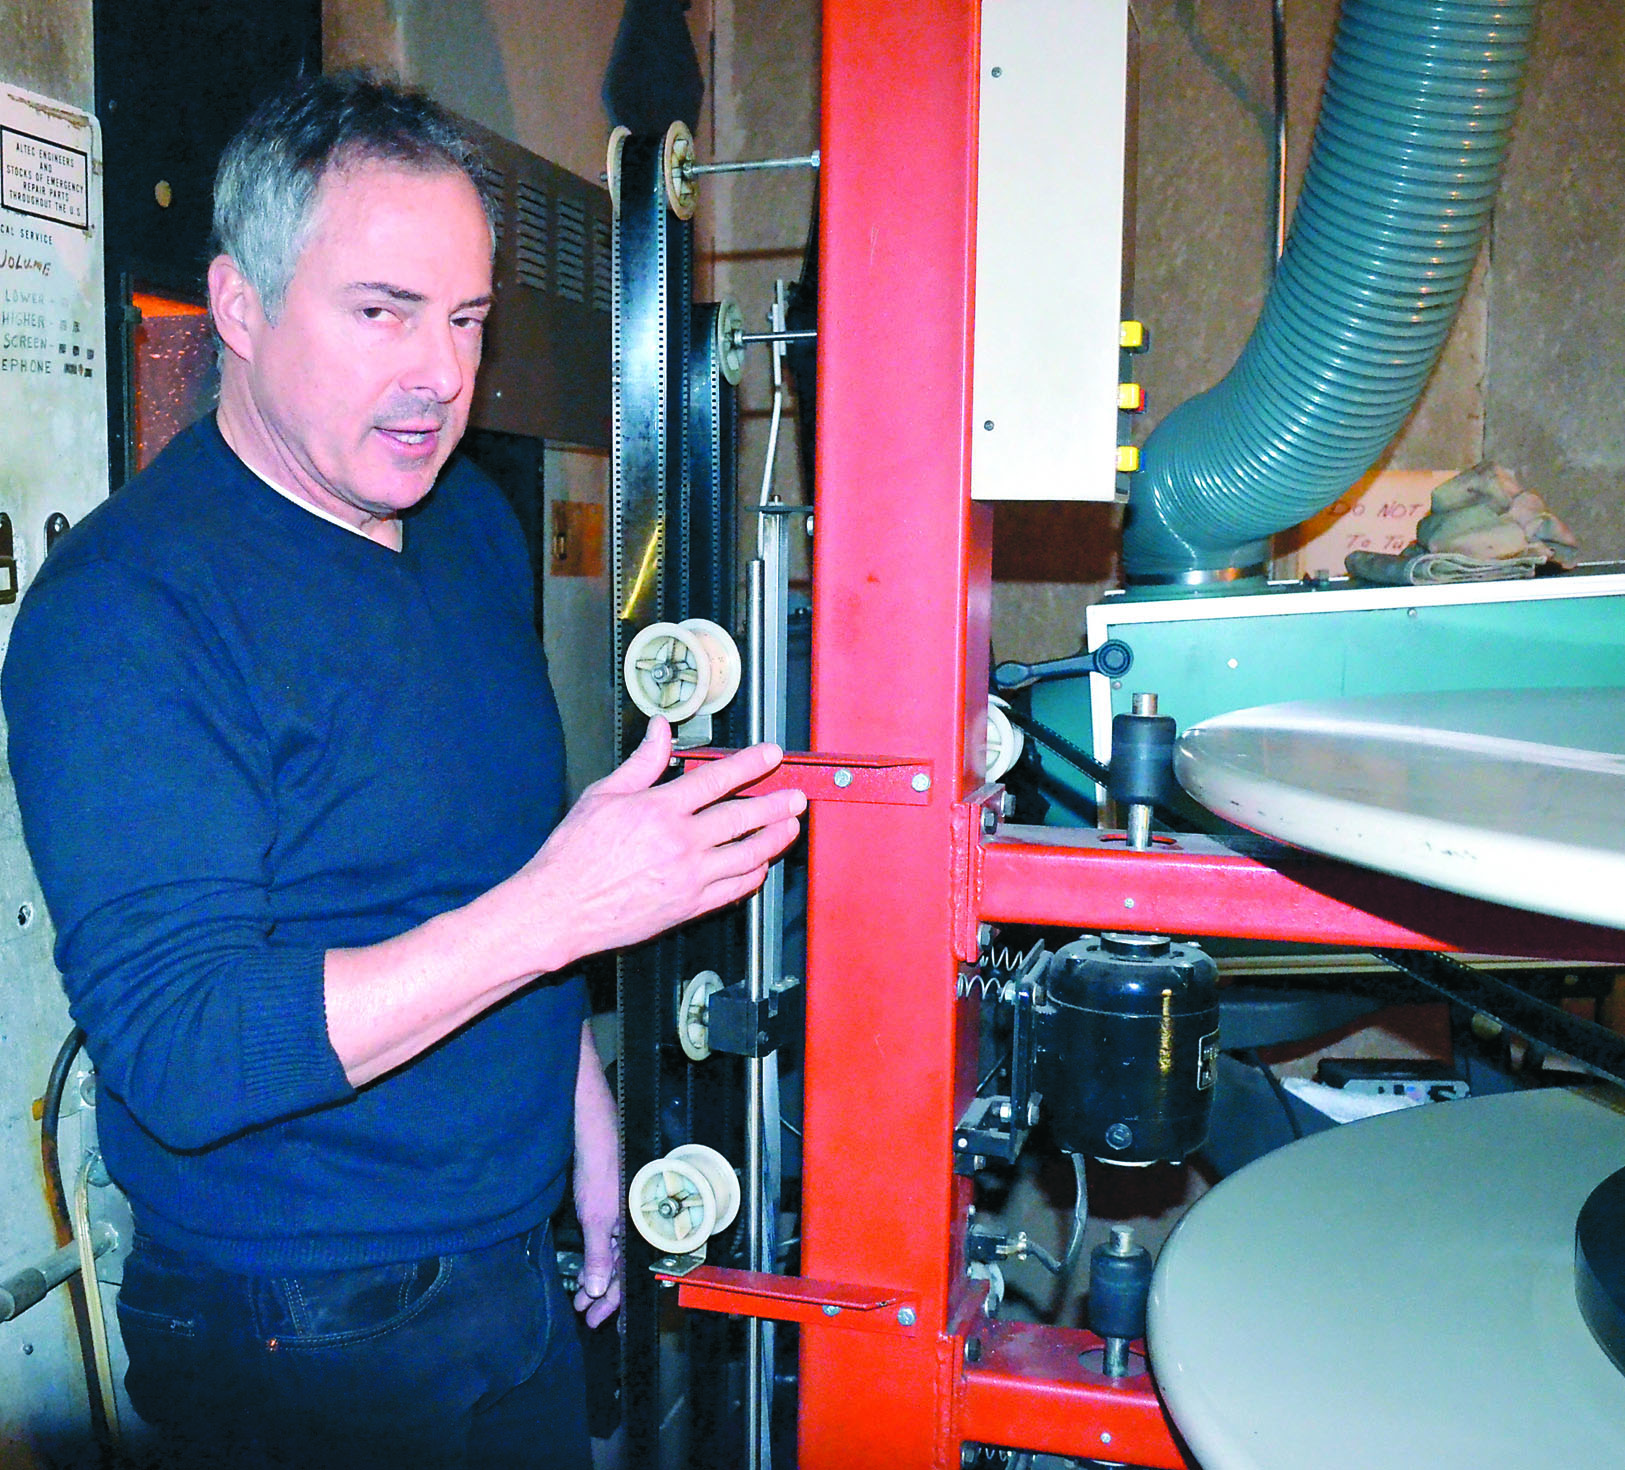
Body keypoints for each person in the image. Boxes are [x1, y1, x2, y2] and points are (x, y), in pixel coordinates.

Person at [1, 72, 804, 1469]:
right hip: (299, 1330)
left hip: (510, 1257)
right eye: (382, 312)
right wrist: (564, 910)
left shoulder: (466, 531)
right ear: (240, 309)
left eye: (468, 319)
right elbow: (187, 1049)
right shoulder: (127, 609)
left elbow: (483, 867)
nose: (441, 373)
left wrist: (584, 1119)